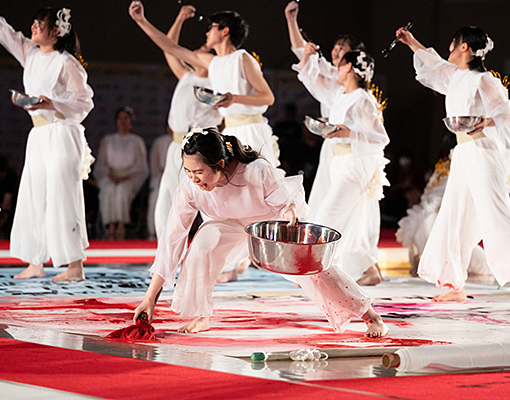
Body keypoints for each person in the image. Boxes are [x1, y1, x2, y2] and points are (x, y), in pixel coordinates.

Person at [132, 127, 388, 337]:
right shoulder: (190, 188)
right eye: (188, 172)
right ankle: (202, 315)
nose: (194, 179)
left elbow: (285, 203)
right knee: (203, 240)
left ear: (220, 164)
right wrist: (149, 298)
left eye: (199, 172)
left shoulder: (254, 172)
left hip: (270, 222)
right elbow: (171, 240)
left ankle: (369, 315)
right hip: (231, 226)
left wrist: (290, 213)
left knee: (311, 270)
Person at [397, 25, 510, 308]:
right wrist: (411, 41)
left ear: (465, 47)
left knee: (494, 212)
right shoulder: (456, 77)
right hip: (464, 151)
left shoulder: (486, 81)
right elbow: (433, 63)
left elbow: (502, 115)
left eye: (453, 44)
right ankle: (455, 283)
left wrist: (486, 121)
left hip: (484, 151)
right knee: (455, 215)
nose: (450, 49)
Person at [0, 1, 95, 281]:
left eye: (40, 23)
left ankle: (74, 266)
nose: (34, 26)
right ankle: (36, 262)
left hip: (62, 132)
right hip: (38, 134)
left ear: (56, 30)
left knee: (63, 197)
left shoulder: (66, 62)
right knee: (33, 197)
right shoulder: (30, 53)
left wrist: (51, 103)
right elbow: (1, 29)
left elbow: (84, 104)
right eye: (33, 22)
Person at [128, 1, 280, 168]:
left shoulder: (242, 58)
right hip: (229, 132)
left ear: (225, 31)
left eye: (212, 27)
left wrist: (234, 98)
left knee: (255, 185)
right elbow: (171, 48)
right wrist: (141, 20)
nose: (207, 33)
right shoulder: (212, 62)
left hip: (252, 130)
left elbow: (268, 97)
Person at [295, 47, 390, 287]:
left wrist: (346, 131)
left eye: (340, 65)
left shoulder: (363, 99)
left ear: (349, 68)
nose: (336, 69)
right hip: (339, 162)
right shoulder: (342, 96)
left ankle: (310, 270)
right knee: (348, 222)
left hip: (355, 164)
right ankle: (367, 269)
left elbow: (380, 138)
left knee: (328, 215)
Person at [397, 128, 510, 277]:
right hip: (438, 230)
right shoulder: (468, 161)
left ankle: (429, 263)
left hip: (421, 227)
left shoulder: (442, 167)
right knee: (487, 266)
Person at [153, 5, 222, 242]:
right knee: (166, 199)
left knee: (207, 200)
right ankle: (166, 247)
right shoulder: (187, 76)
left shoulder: (216, 82)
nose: (195, 52)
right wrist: (180, 18)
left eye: (201, 51)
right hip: (176, 145)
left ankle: (218, 247)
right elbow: (168, 48)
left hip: (200, 147)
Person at [95, 107, 149, 240]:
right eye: (120, 118)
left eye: (126, 118)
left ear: (131, 121)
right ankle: (110, 225)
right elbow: (101, 163)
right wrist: (110, 175)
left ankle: (121, 225)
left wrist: (126, 176)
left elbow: (141, 166)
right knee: (108, 189)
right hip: (110, 175)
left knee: (122, 190)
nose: (123, 122)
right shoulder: (108, 140)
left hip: (130, 176)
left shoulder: (136, 141)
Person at [147, 126, 173, 239]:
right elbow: (154, 165)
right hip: (161, 178)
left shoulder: (187, 140)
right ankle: (155, 231)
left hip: (182, 177)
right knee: (156, 196)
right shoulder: (160, 142)